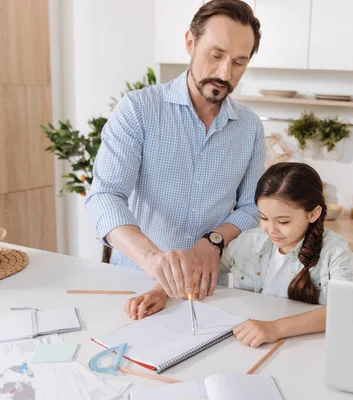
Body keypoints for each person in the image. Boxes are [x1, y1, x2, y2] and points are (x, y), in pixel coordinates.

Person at [86, 0, 264, 301]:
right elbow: (105, 196)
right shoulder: (139, 110)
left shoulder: (250, 127)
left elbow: (251, 207)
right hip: (136, 281)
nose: (224, 72)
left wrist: (213, 242)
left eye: (238, 62)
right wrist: (152, 258)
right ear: (190, 42)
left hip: (209, 287)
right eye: (216, 54)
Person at [125, 162, 353, 348]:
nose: (271, 229)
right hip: (250, 343)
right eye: (264, 218)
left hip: (304, 347)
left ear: (313, 213)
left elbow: (346, 309)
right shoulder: (250, 241)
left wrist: (274, 329)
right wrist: (159, 291)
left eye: (284, 221)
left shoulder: (334, 251)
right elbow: (200, 269)